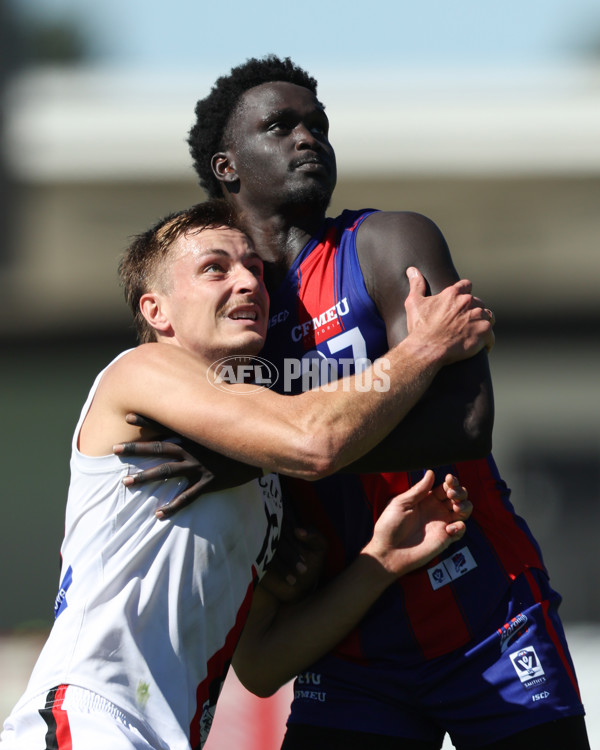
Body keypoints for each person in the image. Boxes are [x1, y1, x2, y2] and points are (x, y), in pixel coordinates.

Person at [179, 56, 590, 750]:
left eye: (318, 125)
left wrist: (284, 452)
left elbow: (464, 423)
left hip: (486, 611)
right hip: (348, 641)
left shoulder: (388, 242)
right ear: (227, 166)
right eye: (280, 126)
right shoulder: (227, 313)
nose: (308, 138)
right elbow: (212, 459)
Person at [0, 201, 490, 750]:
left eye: (254, 269)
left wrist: (378, 562)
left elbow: (260, 664)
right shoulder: (140, 370)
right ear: (157, 312)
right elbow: (316, 442)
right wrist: (424, 346)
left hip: (163, 735)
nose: (248, 283)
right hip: (92, 717)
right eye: (216, 268)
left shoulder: (258, 466)